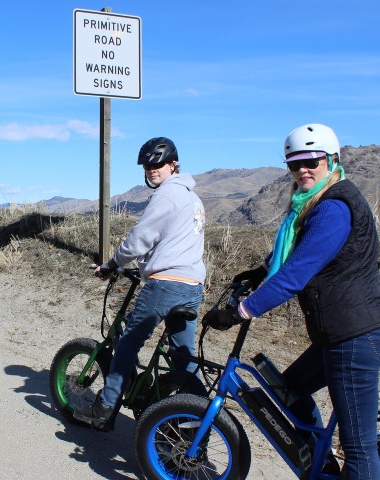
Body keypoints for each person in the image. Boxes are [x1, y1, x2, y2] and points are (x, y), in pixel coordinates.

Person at [204, 123, 380, 479]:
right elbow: (294, 251)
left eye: (311, 161)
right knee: (291, 391)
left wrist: (238, 312)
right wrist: (259, 271)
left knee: (359, 449)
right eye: (294, 164)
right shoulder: (312, 204)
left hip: (354, 336)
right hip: (337, 332)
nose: (302, 170)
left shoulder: (334, 208)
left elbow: (295, 275)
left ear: (332, 160)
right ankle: (320, 463)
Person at [73, 136, 206, 431]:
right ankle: (195, 419)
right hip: (192, 286)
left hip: (166, 284)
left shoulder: (167, 195)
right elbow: (170, 240)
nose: (151, 169)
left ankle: (104, 409)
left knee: (128, 343)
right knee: (183, 359)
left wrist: (111, 265)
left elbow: (138, 239)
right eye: (147, 165)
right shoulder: (193, 198)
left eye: (157, 163)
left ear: (173, 164)